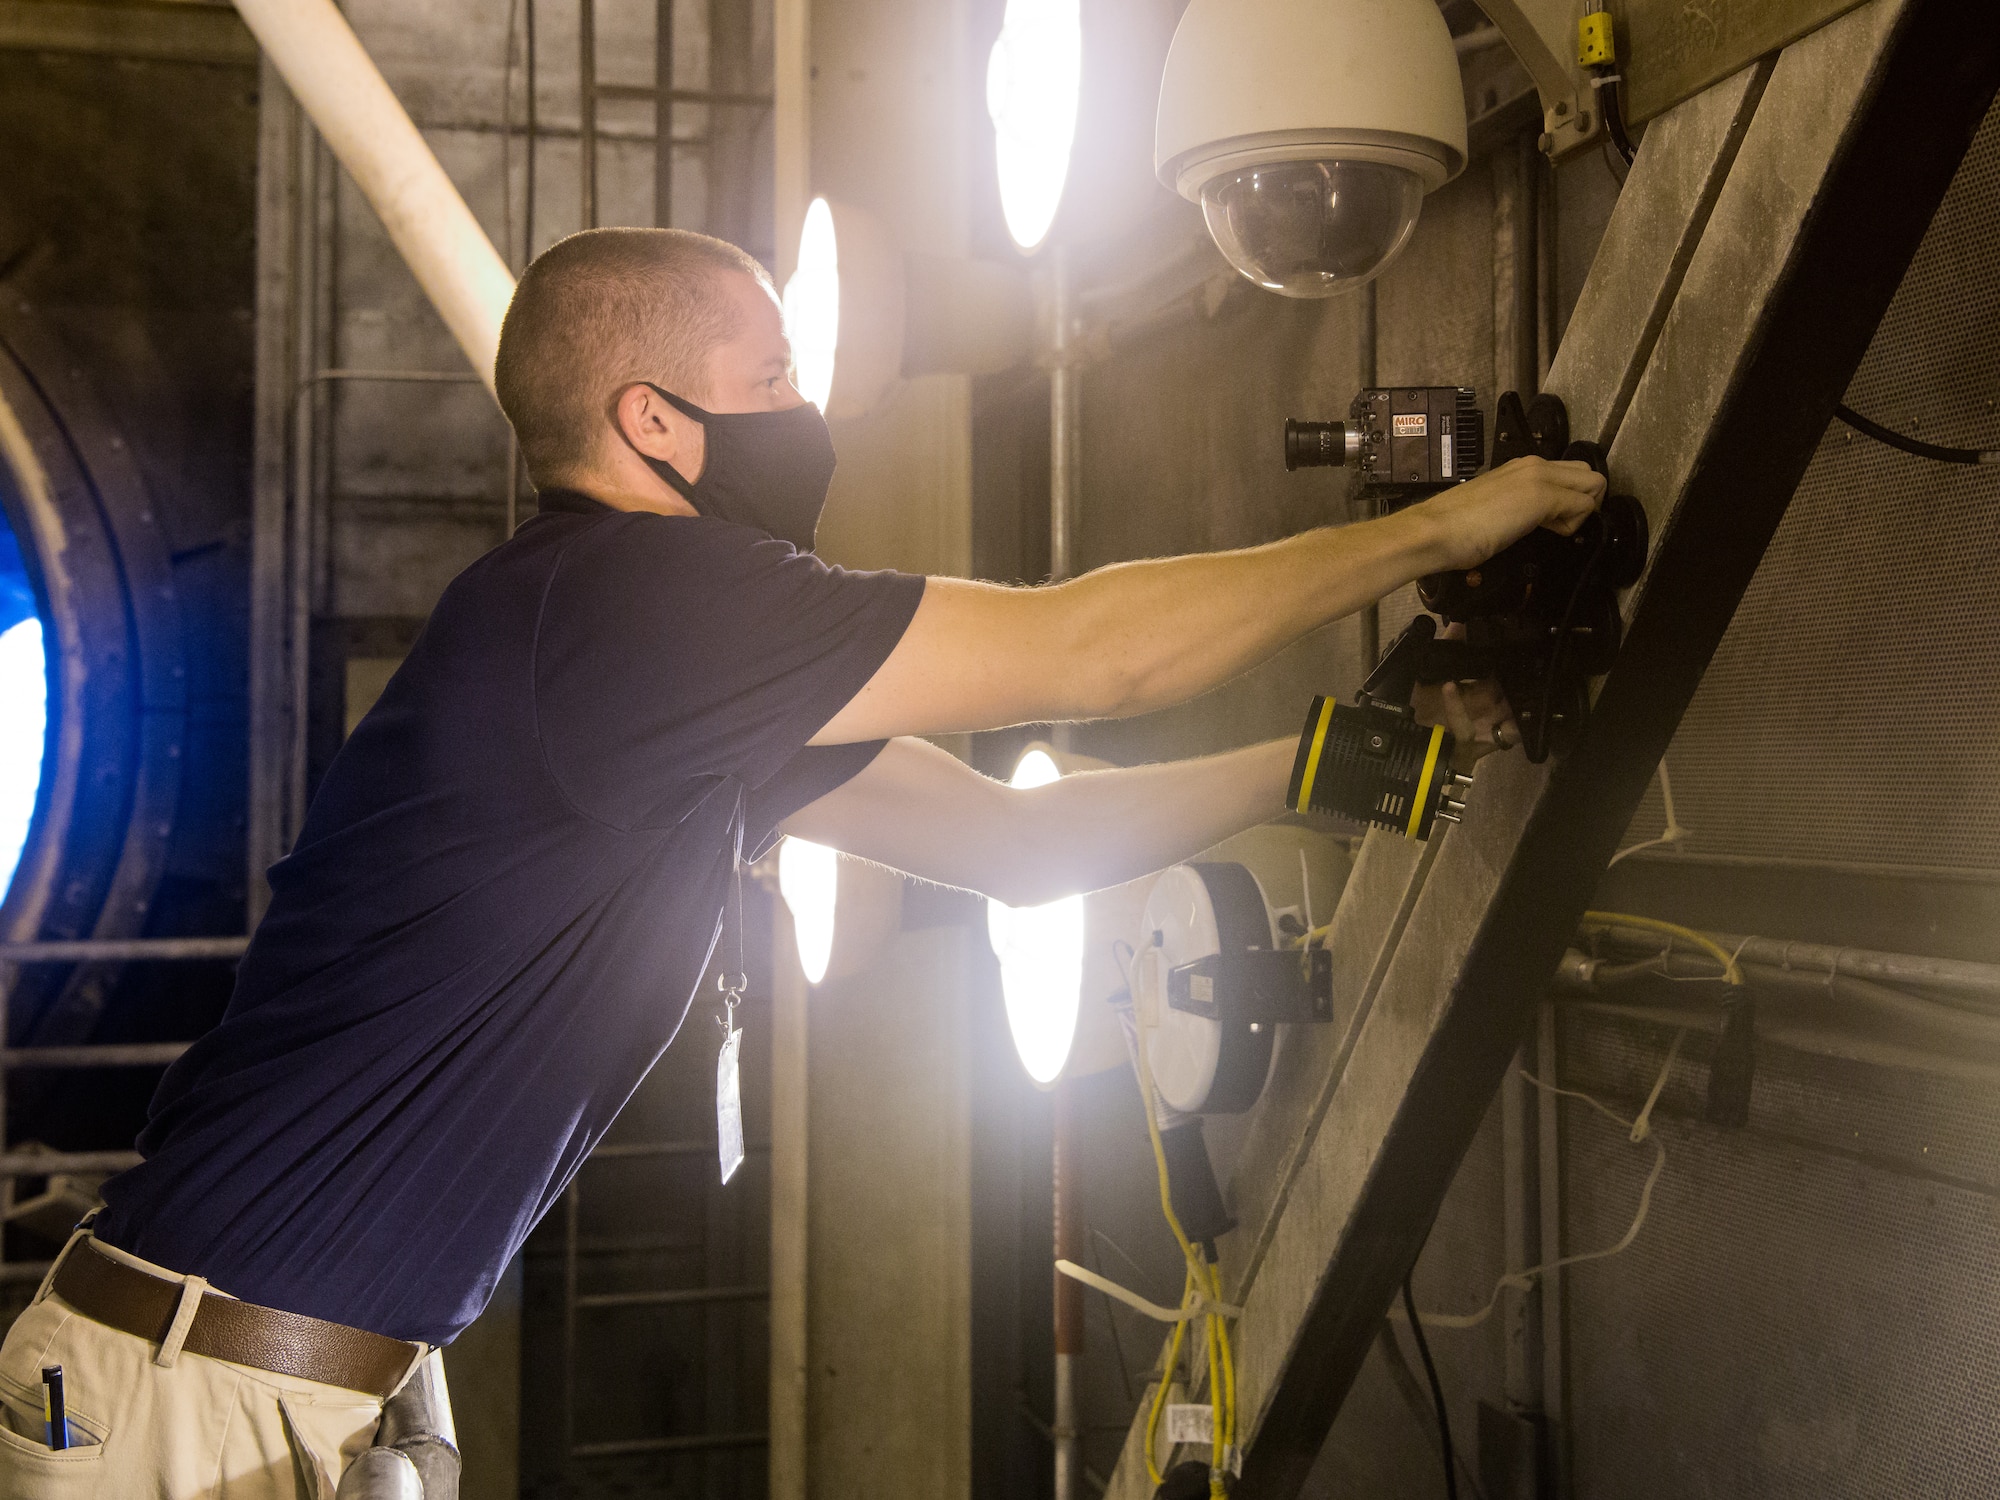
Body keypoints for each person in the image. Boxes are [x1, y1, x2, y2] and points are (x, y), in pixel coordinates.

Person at [0, 228, 1602, 1495]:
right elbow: (1089, 655)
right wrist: (1438, 530)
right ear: (652, 420)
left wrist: (1333, 764)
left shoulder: (656, 681)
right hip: (183, 1398)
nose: (806, 406)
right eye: (772, 369)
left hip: (276, 1390)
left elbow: (1016, 847)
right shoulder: (628, 607)